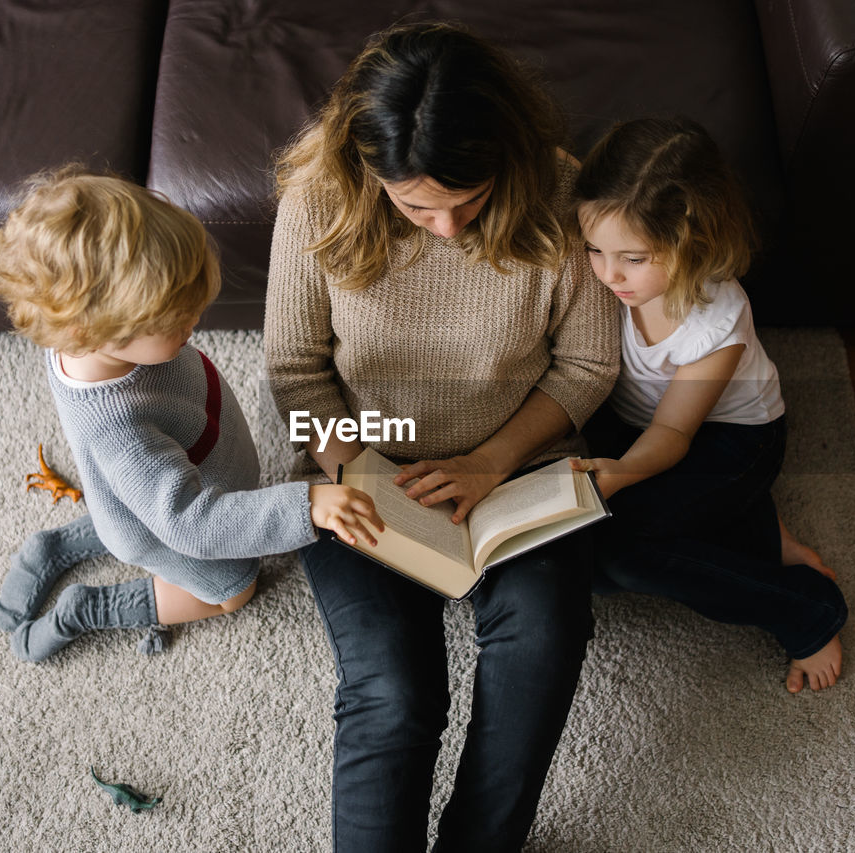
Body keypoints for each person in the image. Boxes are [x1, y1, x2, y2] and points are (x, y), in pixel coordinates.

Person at [264, 22, 619, 853]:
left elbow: (588, 365)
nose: (449, 227)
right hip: (356, 454)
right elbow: (293, 371)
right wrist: (365, 466)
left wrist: (488, 461)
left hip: (515, 460)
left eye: (470, 199)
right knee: (392, 690)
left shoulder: (561, 196)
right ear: (369, 172)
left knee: (545, 641)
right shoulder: (318, 199)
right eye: (417, 204)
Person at [0, 166, 382, 663]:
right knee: (234, 590)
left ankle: (55, 547)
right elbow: (194, 525)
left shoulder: (81, 340)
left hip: (155, 491)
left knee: (133, 517)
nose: (195, 320)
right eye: (176, 321)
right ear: (96, 334)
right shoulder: (119, 428)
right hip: (179, 515)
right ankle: (87, 608)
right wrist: (308, 506)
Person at [568, 116, 847, 693]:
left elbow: (673, 433)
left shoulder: (715, 322)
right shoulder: (606, 274)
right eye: (594, 248)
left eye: (634, 258)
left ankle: (806, 610)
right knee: (571, 540)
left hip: (732, 438)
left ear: (692, 241)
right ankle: (759, 528)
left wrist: (619, 475)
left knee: (618, 556)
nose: (608, 272)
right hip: (632, 421)